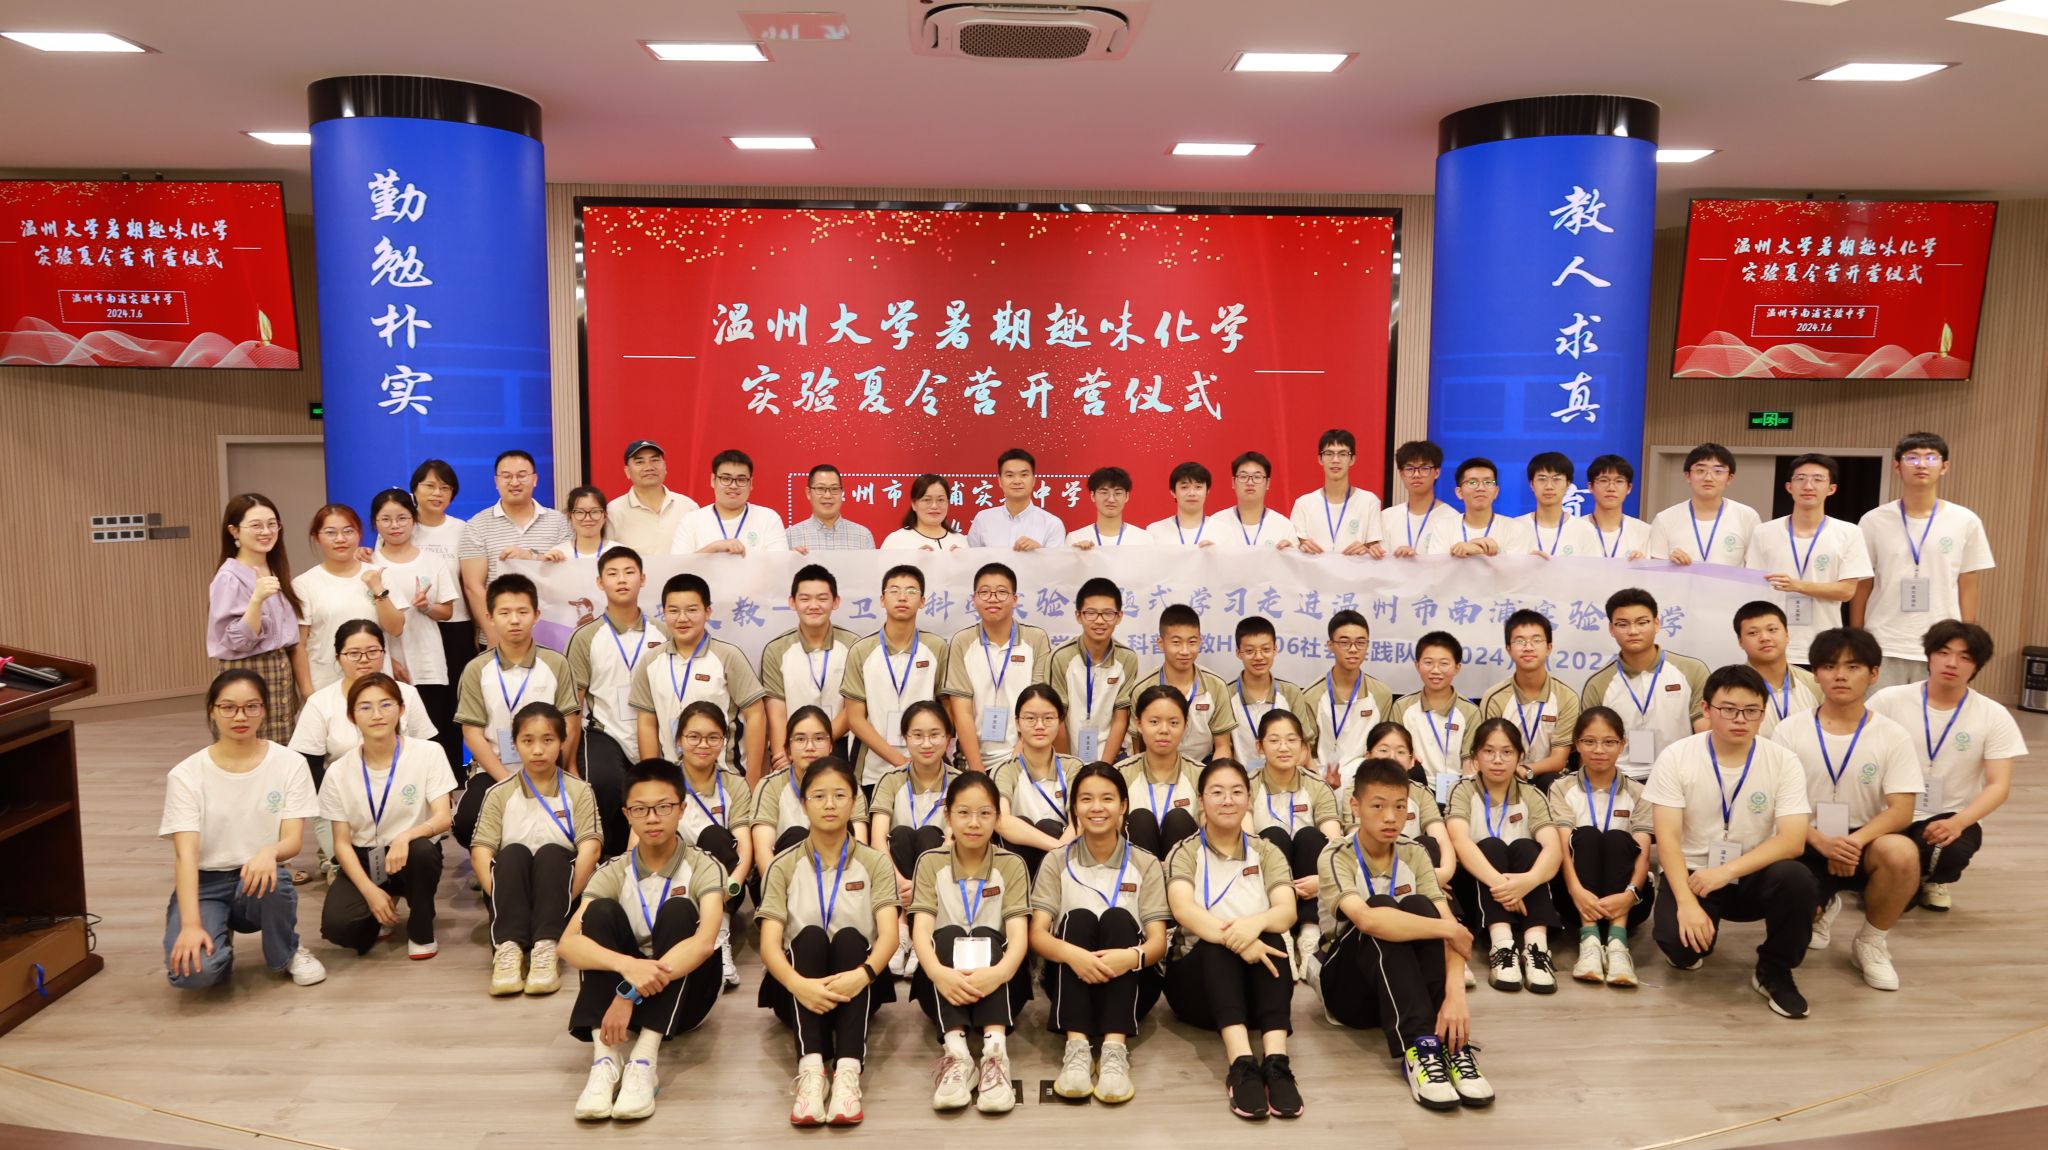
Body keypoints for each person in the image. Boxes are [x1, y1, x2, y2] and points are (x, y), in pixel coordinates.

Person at [1307, 757, 1490, 1112]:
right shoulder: (1336, 855)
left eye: (1400, 807)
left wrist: (1455, 996)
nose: (1391, 817)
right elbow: (1367, 920)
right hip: (1348, 990)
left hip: (1401, 987)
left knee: (1420, 904)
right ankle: (1420, 1046)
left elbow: (1452, 932)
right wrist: (1447, 928)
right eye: (1378, 806)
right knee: (1379, 908)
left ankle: (1452, 1045)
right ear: (1355, 806)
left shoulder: (1414, 852)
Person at [1646, 665, 1818, 1019]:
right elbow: (1667, 839)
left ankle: (1774, 970)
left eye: (1751, 710)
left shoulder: (1783, 761)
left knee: (1798, 878)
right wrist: (1686, 904)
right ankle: (1691, 938)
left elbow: (1792, 841)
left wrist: (1726, 872)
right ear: (1706, 709)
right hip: (1694, 875)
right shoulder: (1676, 757)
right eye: (1728, 709)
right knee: (1682, 950)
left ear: (1763, 713)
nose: (1740, 719)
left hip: (1752, 872)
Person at [559, 759, 725, 1122]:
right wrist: (626, 966)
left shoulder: (704, 865)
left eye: (663, 807)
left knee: (679, 910)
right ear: (626, 814)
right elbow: (567, 944)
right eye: (640, 809)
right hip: (627, 994)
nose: (652, 818)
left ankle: (644, 1060)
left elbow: (703, 943)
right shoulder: (613, 870)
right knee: (599, 912)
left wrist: (627, 993)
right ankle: (605, 1061)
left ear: (681, 809)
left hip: (688, 999)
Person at [1769, 627, 1922, 991]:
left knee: (1902, 852)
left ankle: (1870, 942)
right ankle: (1823, 908)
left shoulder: (1893, 734)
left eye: (1853, 667)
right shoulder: (1789, 731)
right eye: (1829, 666)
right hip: (1805, 837)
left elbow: (1902, 810)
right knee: (1794, 903)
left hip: (1864, 839)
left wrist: (1854, 842)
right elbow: (1775, 803)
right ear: (1815, 674)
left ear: (1874, 674)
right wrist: (1821, 842)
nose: (1840, 675)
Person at [756, 756, 901, 1127]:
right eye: (819, 796)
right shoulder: (783, 864)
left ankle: (848, 1074)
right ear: (804, 804)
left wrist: (862, 975)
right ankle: (811, 1074)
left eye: (839, 795)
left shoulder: (875, 863)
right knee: (809, 937)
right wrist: (798, 984)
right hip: (797, 988)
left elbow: (889, 935)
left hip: (860, 985)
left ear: (854, 802)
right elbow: (769, 945)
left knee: (851, 938)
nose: (830, 804)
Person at [161, 670, 326, 989]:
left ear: (264, 710)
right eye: (228, 707)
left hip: (258, 877)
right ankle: (217, 935)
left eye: (251, 706)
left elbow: (292, 840)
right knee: (193, 973)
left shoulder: (289, 763)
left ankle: (287, 951)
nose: (240, 716)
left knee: (276, 881)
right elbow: (186, 856)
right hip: (206, 883)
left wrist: (269, 852)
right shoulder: (186, 774)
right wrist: (191, 925)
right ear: (212, 711)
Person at [1164, 758, 1301, 1121]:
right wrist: (1237, 938)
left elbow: (1286, 911)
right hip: (1197, 991)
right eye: (1217, 792)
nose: (1227, 800)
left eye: (1237, 791)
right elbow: (1183, 910)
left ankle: (1277, 1063)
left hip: (1255, 990)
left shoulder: (1266, 850)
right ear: (1201, 801)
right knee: (1215, 944)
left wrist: (1253, 926)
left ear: (1248, 799)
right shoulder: (1185, 851)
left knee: (1273, 936)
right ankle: (1241, 1064)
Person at [1028, 763, 1170, 1104]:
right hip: (1069, 978)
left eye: (1107, 798)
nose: (1096, 807)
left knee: (1118, 918)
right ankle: (1076, 1048)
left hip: (1132, 981)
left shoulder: (1145, 863)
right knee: (1078, 919)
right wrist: (1074, 955)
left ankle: (1114, 1050)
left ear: (1123, 806)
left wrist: (1129, 957)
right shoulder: (1056, 861)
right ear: (1074, 807)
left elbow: (1158, 943)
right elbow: (1037, 935)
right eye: (1086, 799)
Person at [1866, 620, 2026, 912]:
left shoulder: (1993, 715)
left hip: (1949, 813)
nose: (1952, 663)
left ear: (1976, 666)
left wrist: (1959, 822)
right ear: (1929, 655)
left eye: (1965, 657)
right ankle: (1894, 877)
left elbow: (1999, 785)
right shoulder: (1889, 700)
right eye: (1943, 652)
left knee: (1949, 852)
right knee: (1893, 897)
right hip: (1889, 810)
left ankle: (1930, 879)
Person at [910, 772, 1034, 1114]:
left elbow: (1019, 936)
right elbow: (921, 931)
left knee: (987, 934)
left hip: (1000, 981)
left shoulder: (1011, 864)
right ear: (948, 816)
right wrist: (938, 974)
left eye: (984, 813)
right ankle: (958, 1056)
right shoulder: (930, 861)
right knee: (947, 934)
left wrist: (999, 973)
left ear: (997, 817)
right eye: (963, 813)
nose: (974, 823)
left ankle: (995, 1055)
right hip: (943, 981)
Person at [318, 672, 456, 959]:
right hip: (365, 857)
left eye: (386, 704)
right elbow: (341, 843)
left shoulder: (428, 753)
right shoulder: (338, 771)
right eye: (365, 707)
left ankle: (421, 927)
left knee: (421, 851)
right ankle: (380, 906)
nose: (377, 715)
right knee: (339, 928)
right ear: (352, 716)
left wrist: (406, 836)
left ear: (401, 709)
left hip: (411, 854)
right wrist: (370, 892)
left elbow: (444, 818)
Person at [471, 701, 603, 997]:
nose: (538, 750)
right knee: (513, 853)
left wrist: (559, 898)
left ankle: (546, 948)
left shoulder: (580, 791)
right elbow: (480, 854)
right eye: (528, 741)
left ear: (562, 742)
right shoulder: (498, 793)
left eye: (548, 740)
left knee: (552, 853)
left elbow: (591, 850)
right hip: (510, 891)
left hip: (563, 891)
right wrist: (507, 896)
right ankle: (508, 950)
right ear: (515, 744)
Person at [1851, 432, 1996, 689]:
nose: (1921, 464)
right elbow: (1863, 582)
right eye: (1912, 458)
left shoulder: (1965, 520)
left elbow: (1968, 582)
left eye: (1931, 457)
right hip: (1883, 640)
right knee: (1879, 712)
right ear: (1897, 467)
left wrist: (1965, 638)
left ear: (1944, 466)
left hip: (1942, 644)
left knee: (1933, 711)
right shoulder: (1873, 520)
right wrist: (1857, 635)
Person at [453, 578, 581, 851]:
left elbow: (570, 722)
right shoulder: (477, 669)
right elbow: (472, 733)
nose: (514, 620)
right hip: (494, 769)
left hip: (548, 767)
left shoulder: (556, 663)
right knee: (466, 822)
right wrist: (509, 781)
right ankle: (494, 859)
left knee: (569, 821)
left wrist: (559, 767)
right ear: (490, 617)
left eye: (522, 612)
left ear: (536, 615)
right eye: (504, 612)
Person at [1444, 719, 1566, 993]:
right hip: (1477, 887)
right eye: (1488, 751)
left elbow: (1553, 848)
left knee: (1527, 847)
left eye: (1507, 752)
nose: (1497, 760)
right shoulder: (1461, 790)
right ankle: (1502, 946)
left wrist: (1528, 881)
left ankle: (1536, 948)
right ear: (1475, 757)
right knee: (1490, 846)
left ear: (1519, 757)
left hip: (1524, 888)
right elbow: (1460, 842)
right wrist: (1505, 886)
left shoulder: (1531, 794)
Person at [566, 546, 667, 856]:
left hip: (657, 732)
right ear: (600, 583)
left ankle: (650, 857)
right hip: (605, 732)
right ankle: (608, 859)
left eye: (629, 572)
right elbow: (574, 705)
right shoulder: (586, 637)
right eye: (612, 574)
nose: (621, 580)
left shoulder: (663, 633)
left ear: (642, 579)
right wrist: (569, 764)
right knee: (605, 783)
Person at [1551, 707, 1653, 987]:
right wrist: (1576, 890)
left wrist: (1630, 895)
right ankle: (1590, 942)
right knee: (1585, 835)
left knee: (1618, 838)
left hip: (1629, 900)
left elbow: (1644, 852)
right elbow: (1562, 847)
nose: (1599, 750)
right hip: (1574, 899)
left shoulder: (1639, 792)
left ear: (1622, 745)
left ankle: (1618, 945)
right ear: (1576, 745)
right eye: (1589, 741)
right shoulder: (1561, 788)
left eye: (1609, 742)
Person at [630, 573, 768, 779]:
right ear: (663, 613)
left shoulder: (728, 656)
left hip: (725, 776)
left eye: (692, 610)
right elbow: (646, 723)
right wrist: (653, 779)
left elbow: (755, 714)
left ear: (707, 612)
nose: (682, 618)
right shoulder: (650, 661)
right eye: (673, 611)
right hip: (673, 779)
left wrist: (753, 779)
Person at [1742, 453, 1873, 663]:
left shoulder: (1849, 533)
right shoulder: (1764, 532)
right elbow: (1754, 589)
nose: (1808, 486)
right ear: (1789, 487)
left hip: (1824, 645)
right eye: (1800, 478)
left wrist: (1798, 585)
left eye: (1818, 479)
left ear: (1831, 489)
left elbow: (1847, 591)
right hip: (1772, 645)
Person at [366, 488, 460, 764]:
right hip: (384, 663)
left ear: (413, 519)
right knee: (390, 738)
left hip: (427, 661)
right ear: (375, 522)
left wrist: (427, 606)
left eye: (402, 518)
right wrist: (387, 658)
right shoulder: (368, 564)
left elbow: (447, 612)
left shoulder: (432, 560)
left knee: (431, 739)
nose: (394, 526)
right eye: (386, 519)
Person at [207, 493, 308, 743]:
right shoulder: (229, 577)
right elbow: (236, 640)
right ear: (234, 531)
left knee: (280, 750)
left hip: (279, 670)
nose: (266, 531)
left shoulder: (274, 568)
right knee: (248, 747)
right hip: (246, 671)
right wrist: (256, 600)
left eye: (272, 524)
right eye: (256, 525)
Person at [870, 700, 960, 977]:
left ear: (948, 738)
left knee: (930, 835)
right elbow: (877, 840)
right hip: (897, 879)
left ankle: (922, 932)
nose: (926, 743)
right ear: (905, 738)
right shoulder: (890, 780)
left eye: (935, 735)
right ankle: (902, 931)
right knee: (901, 834)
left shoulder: (960, 782)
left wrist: (921, 886)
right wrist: (900, 882)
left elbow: (954, 841)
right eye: (917, 735)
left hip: (941, 876)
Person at [1248, 711, 1342, 974]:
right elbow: (1246, 842)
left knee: (1310, 836)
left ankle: (1309, 934)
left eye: (1291, 740)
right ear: (1259, 746)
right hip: (1266, 880)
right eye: (1274, 740)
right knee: (1273, 835)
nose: (1283, 747)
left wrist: (1323, 878)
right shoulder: (1248, 785)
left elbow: (1334, 842)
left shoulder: (1316, 785)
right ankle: (1283, 935)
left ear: (1303, 746)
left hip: (1309, 882)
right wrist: (1282, 884)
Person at [288, 622, 437, 787]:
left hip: (405, 789)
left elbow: (428, 752)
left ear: (384, 654)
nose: (364, 659)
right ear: (338, 657)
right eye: (354, 653)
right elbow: (309, 768)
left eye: (373, 652)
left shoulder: (407, 694)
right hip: (342, 793)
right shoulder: (320, 703)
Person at [1581, 588, 1710, 780]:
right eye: (1622, 624)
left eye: (1642, 622)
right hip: (1620, 779)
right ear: (1611, 629)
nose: (1633, 631)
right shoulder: (1598, 683)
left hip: (1680, 774)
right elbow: (1590, 744)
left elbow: (1705, 732)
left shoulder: (1692, 670)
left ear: (1657, 623)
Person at [841, 565, 950, 788]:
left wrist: (927, 755)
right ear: (882, 600)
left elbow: (948, 708)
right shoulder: (861, 650)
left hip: (927, 765)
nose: (902, 597)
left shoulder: (936, 647)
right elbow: (854, 718)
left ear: (922, 601)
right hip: (871, 770)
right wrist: (900, 761)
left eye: (911, 591)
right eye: (894, 591)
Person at [672, 702, 754, 988]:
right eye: (694, 737)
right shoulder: (664, 780)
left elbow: (744, 847)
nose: (703, 745)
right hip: (675, 876)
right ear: (679, 739)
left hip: (723, 882)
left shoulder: (734, 784)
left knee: (715, 836)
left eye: (713, 737)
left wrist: (733, 885)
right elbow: (640, 839)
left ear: (723, 741)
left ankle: (720, 939)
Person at [941, 562, 1052, 773]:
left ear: (1015, 599)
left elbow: (1039, 704)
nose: (993, 598)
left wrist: (1018, 756)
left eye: (1001, 592)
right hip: (972, 761)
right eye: (984, 592)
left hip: (1025, 757)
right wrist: (977, 770)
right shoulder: (962, 641)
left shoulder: (1036, 639)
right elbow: (961, 712)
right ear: (974, 599)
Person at [459, 450, 572, 646]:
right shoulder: (476, 525)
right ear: (496, 481)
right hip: (498, 635)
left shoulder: (559, 522)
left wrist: (531, 556)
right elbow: (473, 586)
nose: (514, 482)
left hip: (553, 633)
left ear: (534, 479)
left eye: (521, 475)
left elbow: (567, 572)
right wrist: (492, 633)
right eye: (506, 476)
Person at [407, 459, 477, 769]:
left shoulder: (463, 529)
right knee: (424, 701)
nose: (437, 493)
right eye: (430, 486)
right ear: (415, 489)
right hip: (415, 627)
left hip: (457, 626)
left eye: (445, 488)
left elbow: (470, 580)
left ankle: (457, 773)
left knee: (456, 702)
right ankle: (427, 771)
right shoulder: (404, 527)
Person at [759, 565, 859, 770]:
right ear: (792, 602)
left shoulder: (854, 646)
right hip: (793, 746)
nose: (814, 606)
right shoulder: (776, 649)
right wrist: (782, 755)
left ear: (835, 602)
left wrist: (820, 742)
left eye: (822, 599)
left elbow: (853, 708)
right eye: (805, 599)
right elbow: (777, 712)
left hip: (841, 744)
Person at [295, 503, 401, 693]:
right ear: (317, 538)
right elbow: (299, 645)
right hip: (325, 685)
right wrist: (307, 692)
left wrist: (377, 589)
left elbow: (396, 628)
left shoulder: (380, 575)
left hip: (375, 685)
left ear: (359, 534)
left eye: (348, 531)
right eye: (330, 533)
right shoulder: (304, 584)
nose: (340, 539)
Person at [750, 706, 873, 867]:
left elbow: (860, 848)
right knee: (797, 836)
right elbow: (763, 852)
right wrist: (776, 882)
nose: (810, 747)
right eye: (800, 739)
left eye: (819, 739)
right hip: (784, 875)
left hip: (839, 874)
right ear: (788, 750)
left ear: (831, 746)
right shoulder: (770, 786)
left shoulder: (849, 786)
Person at [1477, 609, 1582, 787]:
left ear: (1549, 647)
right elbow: (1488, 751)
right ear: (1509, 649)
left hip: (1547, 777)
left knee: (1553, 782)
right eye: (1520, 641)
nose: (1528, 647)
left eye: (1536, 640)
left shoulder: (1566, 697)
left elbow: (1558, 760)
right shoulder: (1494, 697)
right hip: (1503, 774)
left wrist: (1526, 770)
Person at [1122, 604, 1235, 762]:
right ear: (1161, 643)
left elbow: (1223, 746)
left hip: (1204, 765)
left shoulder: (1216, 686)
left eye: (1192, 642)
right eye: (1176, 642)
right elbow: (1138, 747)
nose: (1185, 651)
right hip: (1156, 765)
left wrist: (1210, 775)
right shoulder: (1142, 688)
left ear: (1200, 642)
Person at [994, 685, 1085, 877]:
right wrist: (1057, 847)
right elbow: (1001, 821)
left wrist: (1059, 849)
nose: (1040, 726)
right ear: (1017, 723)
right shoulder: (1005, 770)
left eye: (1048, 718)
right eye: (1030, 718)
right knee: (1022, 822)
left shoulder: (1073, 767)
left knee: (1048, 826)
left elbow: (1079, 820)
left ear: (1060, 721)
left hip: (1064, 863)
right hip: (1020, 859)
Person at [1047, 578, 1138, 764]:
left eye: (1108, 613)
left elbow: (1121, 719)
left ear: (1119, 616)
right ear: (1078, 616)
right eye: (1091, 613)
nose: (1099, 620)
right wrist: (1068, 767)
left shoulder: (1127, 659)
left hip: (1112, 758)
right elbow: (1057, 717)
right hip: (1067, 756)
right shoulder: (1060, 657)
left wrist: (1104, 767)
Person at [1298, 611, 1394, 786]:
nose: (1353, 649)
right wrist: (1319, 782)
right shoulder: (1311, 696)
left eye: (1360, 642)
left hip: (1367, 781)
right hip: (1322, 780)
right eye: (1344, 642)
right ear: (1330, 645)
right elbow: (1305, 749)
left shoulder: (1381, 694)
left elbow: (1384, 744)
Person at [1115, 685, 1205, 858]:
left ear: (1185, 725)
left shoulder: (1202, 775)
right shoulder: (1120, 774)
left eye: (1174, 723)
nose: (1164, 730)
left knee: (1179, 818)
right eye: (1154, 722)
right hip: (1135, 869)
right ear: (1139, 724)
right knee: (1140, 818)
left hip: (1186, 869)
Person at [1364, 722, 1459, 887]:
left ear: (1411, 761)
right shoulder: (1356, 792)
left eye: (1400, 752)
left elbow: (1442, 841)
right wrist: (1415, 879)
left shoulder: (1420, 792)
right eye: (1383, 750)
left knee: (1427, 843)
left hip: (1421, 874)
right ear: (1368, 756)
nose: (1392, 757)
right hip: (1373, 875)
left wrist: (1443, 873)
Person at [1646, 443, 1761, 566]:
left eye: (1718, 471)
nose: (1708, 478)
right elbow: (1656, 571)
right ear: (1688, 476)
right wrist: (1670, 565)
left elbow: (1757, 566)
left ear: (1729, 478)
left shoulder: (1747, 517)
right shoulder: (1665, 519)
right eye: (1700, 470)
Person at [1390, 632, 1481, 780]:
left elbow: (1469, 762)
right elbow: (1394, 755)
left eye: (1444, 663)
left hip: (1455, 787)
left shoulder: (1470, 711)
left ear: (1457, 668)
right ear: (1417, 665)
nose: (1435, 670)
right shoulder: (1402, 707)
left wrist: (1463, 791)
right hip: (1411, 785)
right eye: (1428, 662)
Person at [1227, 616, 1312, 772]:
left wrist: (1281, 773)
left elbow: (1304, 745)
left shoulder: (1291, 693)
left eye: (1265, 649)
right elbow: (1224, 747)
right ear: (1238, 653)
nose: (1259, 657)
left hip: (1286, 776)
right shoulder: (1226, 695)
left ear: (1275, 649)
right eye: (1250, 651)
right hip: (1241, 780)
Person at [672, 449, 790, 554]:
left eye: (741, 479)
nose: (733, 486)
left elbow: (778, 566)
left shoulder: (768, 518)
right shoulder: (691, 520)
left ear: (750, 484)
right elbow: (679, 567)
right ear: (713, 480)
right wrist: (713, 548)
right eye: (726, 478)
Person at [1291, 428, 1385, 557]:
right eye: (1329, 453)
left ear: (1352, 459)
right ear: (1320, 459)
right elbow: (1294, 552)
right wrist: (1301, 547)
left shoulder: (1369, 502)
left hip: (1356, 570)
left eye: (1342, 454)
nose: (1335, 460)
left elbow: (1375, 550)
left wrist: (1367, 550)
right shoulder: (1303, 504)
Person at [1735, 601, 1820, 737]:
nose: (1764, 638)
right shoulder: (1729, 687)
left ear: (1787, 635)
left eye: (1772, 630)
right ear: (1740, 642)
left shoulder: (1814, 684)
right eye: (1753, 633)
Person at [604, 439, 698, 557]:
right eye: (640, 462)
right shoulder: (613, 511)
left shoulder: (688, 507)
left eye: (655, 460)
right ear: (627, 471)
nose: (649, 467)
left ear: (665, 467)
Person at [967, 447, 1067, 550]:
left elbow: (1055, 560)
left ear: (1033, 481)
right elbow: (970, 558)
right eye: (1010, 475)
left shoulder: (1052, 524)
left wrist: (1039, 552)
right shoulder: (983, 519)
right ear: (1000, 481)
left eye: (1024, 475)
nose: (1017, 481)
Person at [1557, 454, 1652, 560]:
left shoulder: (1644, 531)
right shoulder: (1572, 529)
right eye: (1603, 481)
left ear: (1629, 488)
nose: (1611, 488)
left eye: (1619, 481)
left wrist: (1642, 565)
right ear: (1590, 486)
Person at [1432, 457, 1529, 558]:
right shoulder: (1443, 528)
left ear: (1496, 492)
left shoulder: (1515, 529)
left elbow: (1516, 567)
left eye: (1488, 482)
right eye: (1472, 483)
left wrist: (1479, 550)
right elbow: (1436, 566)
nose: (1481, 488)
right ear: (1459, 492)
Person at [1208, 451, 1299, 550]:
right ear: (1233, 482)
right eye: (1243, 477)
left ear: (1268, 483)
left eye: (1257, 477)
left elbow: (1296, 559)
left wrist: (1290, 553)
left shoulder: (1284, 526)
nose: (1250, 482)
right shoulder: (1216, 523)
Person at [1382, 440, 1449, 557]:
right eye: (1409, 469)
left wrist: (1417, 561)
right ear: (1401, 474)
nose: (1416, 474)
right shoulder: (1386, 517)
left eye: (1424, 468)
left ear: (1437, 472)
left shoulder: (1451, 518)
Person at [787, 463, 876, 552]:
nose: (828, 495)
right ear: (808, 493)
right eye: (820, 488)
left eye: (834, 489)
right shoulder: (789, 537)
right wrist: (790, 558)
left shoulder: (863, 536)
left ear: (841, 492)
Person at [880, 473, 971, 551]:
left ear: (947, 503)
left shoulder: (960, 541)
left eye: (941, 500)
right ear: (914, 504)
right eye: (927, 500)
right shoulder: (896, 541)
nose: (934, 506)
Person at [1068, 466, 1154, 548]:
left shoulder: (1143, 539)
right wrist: (1078, 554)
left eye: (1118, 493)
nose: (1111, 499)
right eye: (1104, 493)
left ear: (1127, 496)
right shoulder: (1075, 539)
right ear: (1092, 496)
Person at [1512, 452, 1576, 558]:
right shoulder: (1514, 528)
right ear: (1532, 484)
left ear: (1567, 485)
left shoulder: (1585, 530)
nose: (1549, 486)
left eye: (1556, 479)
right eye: (1542, 479)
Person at [1147, 460, 1218, 547]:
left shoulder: (1224, 531)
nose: (1192, 493)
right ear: (1173, 492)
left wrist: (1217, 553)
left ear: (1207, 491)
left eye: (1198, 487)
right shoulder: (1154, 531)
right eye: (1184, 487)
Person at [539, 485, 613, 561]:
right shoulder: (557, 555)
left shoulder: (617, 553)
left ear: (605, 516)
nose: (587, 518)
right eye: (580, 512)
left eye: (594, 511)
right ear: (570, 516)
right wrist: (545, 563)